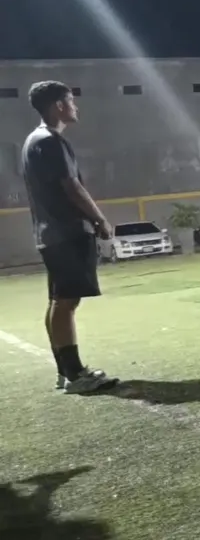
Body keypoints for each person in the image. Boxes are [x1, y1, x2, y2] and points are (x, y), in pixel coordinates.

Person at [20, 81, 117, 394]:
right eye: (71, 100)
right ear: (59, 106)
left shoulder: (35, 140)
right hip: (65, 232)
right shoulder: (50, 141)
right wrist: (99, 219)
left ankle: (66, 370)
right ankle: (75, 375)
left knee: (59, 300)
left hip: (51, 233)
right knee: (66, 301)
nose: (75, 106)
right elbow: (72, 186)